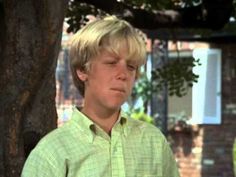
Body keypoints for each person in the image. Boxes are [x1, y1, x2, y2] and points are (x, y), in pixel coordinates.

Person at [21, 16, 180, 177]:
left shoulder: (154, 143)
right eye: (111, 63)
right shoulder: (51, 153)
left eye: (131, 67)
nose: (123, 74)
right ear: (82, 70)